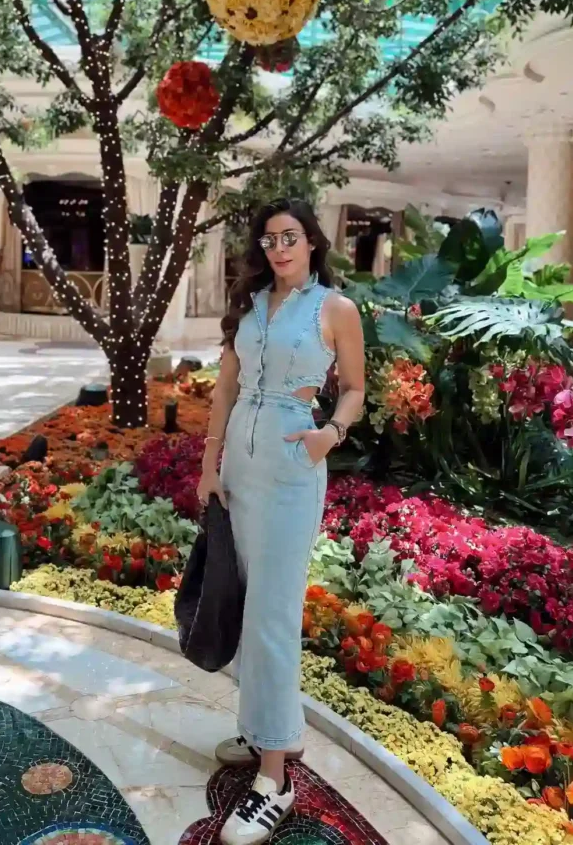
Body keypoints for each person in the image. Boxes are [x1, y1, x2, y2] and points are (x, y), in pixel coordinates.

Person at [196, 198, 365, 845]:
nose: (278, 248)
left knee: (271, 612)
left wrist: (331, 433)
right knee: (243, 601)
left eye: (289, 236)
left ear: (311, 242)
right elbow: (225, 389)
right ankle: (259, 725)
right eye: (268, 240)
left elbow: (353, 386)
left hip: (293, 468)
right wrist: (209, 465)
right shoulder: (249, 307)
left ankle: (276, 777)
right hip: (240, 462)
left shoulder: (334, 309)